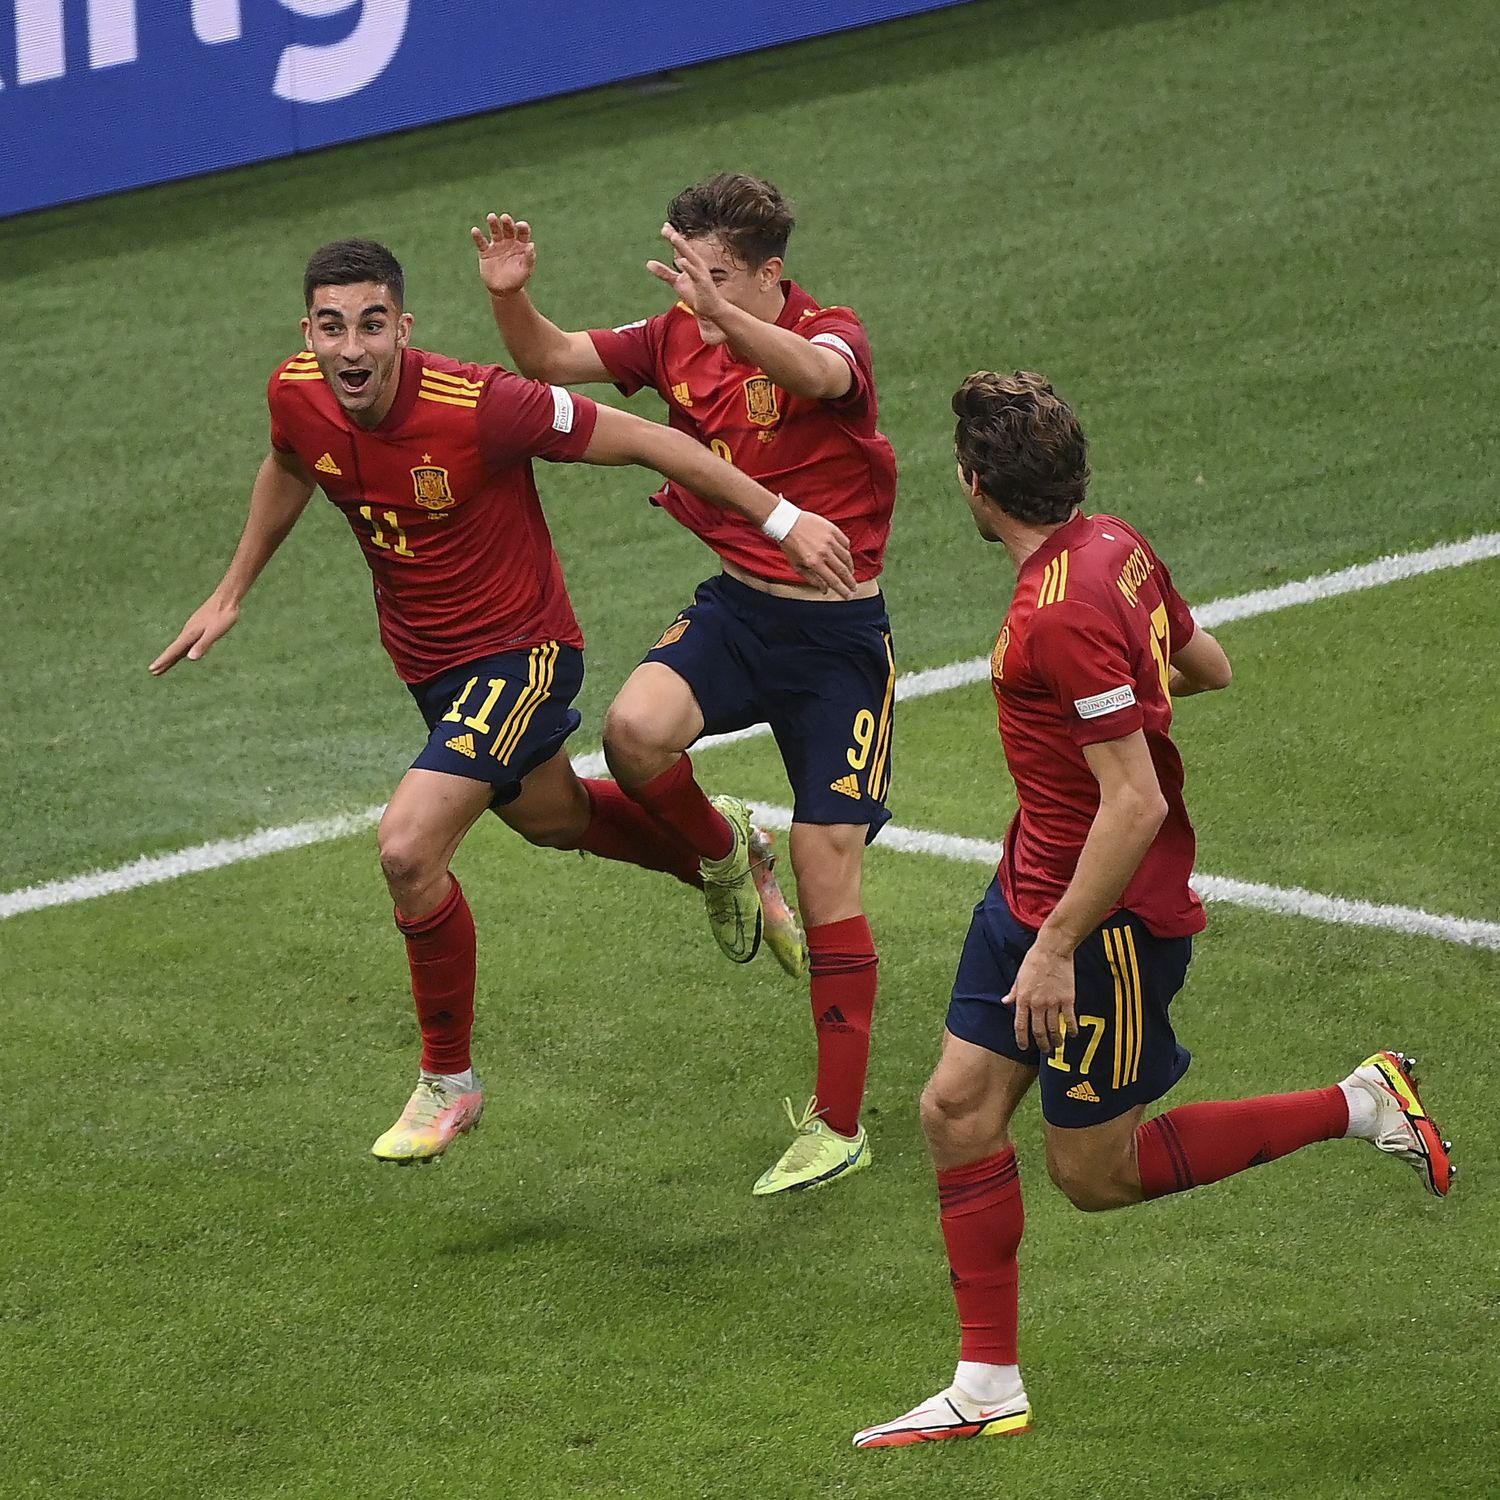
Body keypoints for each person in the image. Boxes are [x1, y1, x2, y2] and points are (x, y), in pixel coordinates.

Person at [151, 236, 855, 1165]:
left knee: (408, 849)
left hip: (521, 656)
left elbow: (649, 438)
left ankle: (449, 1081)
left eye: (371, 325)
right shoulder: (297, 391)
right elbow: (290, 459)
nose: (351, 349)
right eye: (332, 328)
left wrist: (780, 516)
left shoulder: (481, 404)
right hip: (430, 667)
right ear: (307, 333)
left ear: (403, 328)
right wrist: (232, 587)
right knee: (555, 819)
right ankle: (723, 850)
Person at [853, 371, 1454, 1448]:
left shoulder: (1059, 612)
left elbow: (1134, 800)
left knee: (1097, 1174)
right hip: (1033, 885)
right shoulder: (1111, 545)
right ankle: (986, 1384)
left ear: (976, 485)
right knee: (954, 1112)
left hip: (1103, 925)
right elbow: (1206, 662)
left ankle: (1363, 1102)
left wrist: (1058, 946)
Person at [476, 174, 898, 1195]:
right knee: (633, 731)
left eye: (720, 277)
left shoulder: (829, 335)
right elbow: (549, 359)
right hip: (739, 615)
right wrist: (508, 295)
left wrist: (725, 321)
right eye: (689, 271)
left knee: (826, 865)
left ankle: (839, 1124)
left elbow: (820, 375)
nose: (696, 293)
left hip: (840, 647)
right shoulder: (671, 333)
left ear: (770, 275)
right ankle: (721, 853)